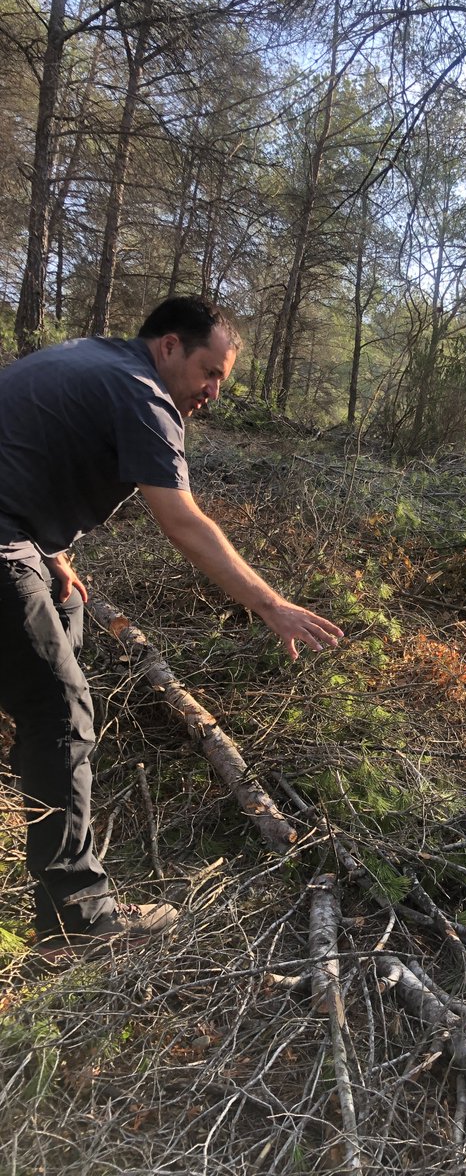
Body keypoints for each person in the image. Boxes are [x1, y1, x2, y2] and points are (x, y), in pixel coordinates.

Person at [0, 295, 343, 960]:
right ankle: (76, 920)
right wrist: (271, 605)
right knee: (62, 711)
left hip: (18, 536)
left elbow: (23, 445)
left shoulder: (91, 358)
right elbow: (182, 521)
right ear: (169, 348)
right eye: (209, 371)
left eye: (222, 378)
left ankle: (54, 846)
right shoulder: (142, 393)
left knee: (65, 619)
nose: (213, 391)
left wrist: (51, 553)